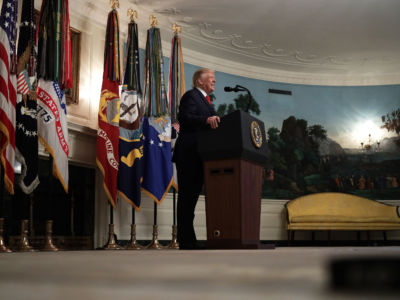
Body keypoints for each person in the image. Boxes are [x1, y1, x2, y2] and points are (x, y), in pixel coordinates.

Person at [172, 68, 220, 250]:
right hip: (189, 154)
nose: (214, 81)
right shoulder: (191, 96)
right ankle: (185, 241)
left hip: (200, 155)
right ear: (200, 81)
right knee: (187, 198)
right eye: (211, 78)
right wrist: (206, 120)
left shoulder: (206, 101)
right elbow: (185, 117)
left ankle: (189, 239)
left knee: (191, 199)